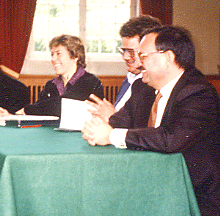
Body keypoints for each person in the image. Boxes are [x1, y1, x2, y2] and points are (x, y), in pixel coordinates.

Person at [81, 26, 220, 215]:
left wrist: (111, 135)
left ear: (169, 58)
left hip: (194, 195)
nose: (137, 61)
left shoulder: (198, 92)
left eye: (143, 56)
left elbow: (171, 138)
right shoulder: (142, 87)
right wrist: (96, 130)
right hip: (149, 184)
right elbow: (119, 122)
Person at [0, 35, 104, 121]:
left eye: (58, 54)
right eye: (52, 54)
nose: (53, 59)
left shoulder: (91, 82)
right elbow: (38, 113)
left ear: (75, 56)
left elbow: (63, 104)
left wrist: (24, 110)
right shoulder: (50, 85)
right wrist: (10, 117)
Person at [85, 15, 161, 122]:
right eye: (123, 51)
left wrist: (113, 117)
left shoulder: (152, 85)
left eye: (131, 52)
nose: (125, 57)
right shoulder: (130, 78)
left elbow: (140, 128)